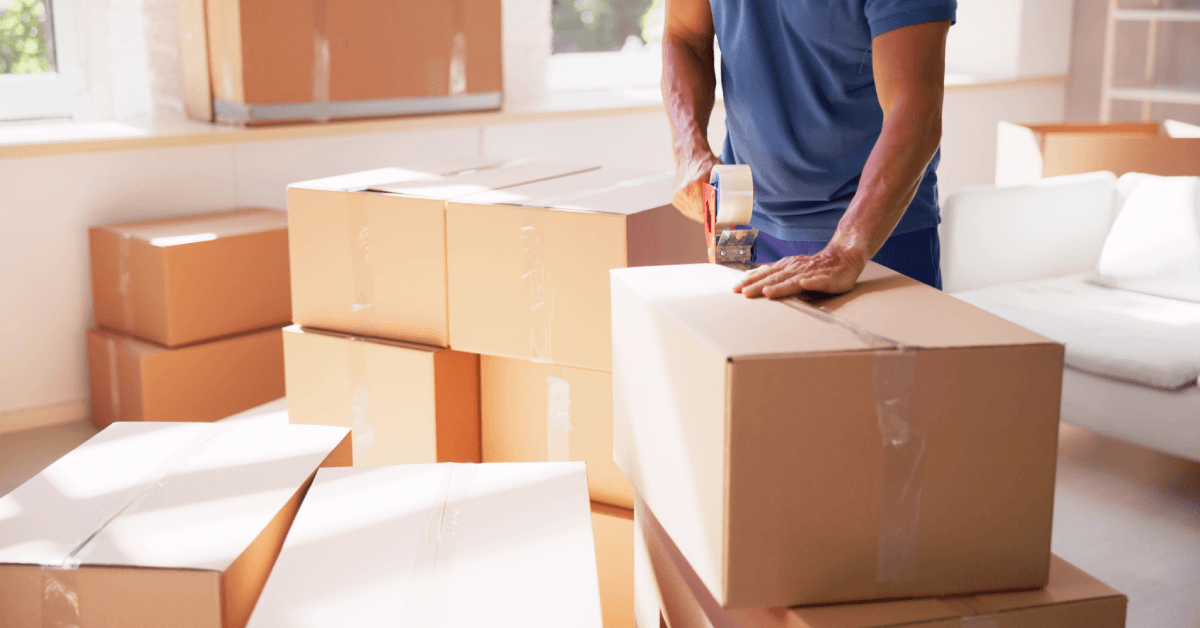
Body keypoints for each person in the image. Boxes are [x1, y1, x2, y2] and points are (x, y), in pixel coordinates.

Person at [663, 0, 955, 296]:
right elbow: (683, 36)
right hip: (744, 225)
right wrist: (689, 149)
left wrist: (846, 250)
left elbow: (917, 111)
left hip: (874, 235)